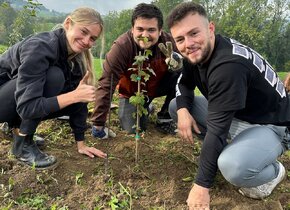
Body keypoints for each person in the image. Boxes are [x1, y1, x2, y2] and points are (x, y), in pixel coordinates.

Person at [167, 2, 289, 209]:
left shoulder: (228, 66)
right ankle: (234, 149)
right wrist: (183, 110)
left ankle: (275, 171)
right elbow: (184, 82)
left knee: (232, 167)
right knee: (175, 106)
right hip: (240, 114)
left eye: (194, 33)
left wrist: (201, 186)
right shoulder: (194, 53)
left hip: (272, 124)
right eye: (180, 39)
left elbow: (216, 130)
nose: (188, 44)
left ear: (211, 28)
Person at [0, 7, 107, 169]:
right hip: (5, 98)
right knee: (54, 77)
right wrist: (74, 96)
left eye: (92, 38)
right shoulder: (41, 47)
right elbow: (27, 107)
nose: (87, 41)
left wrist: (81, 144)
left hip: (17, 100)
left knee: (68, 88)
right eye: (83, 32)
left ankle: (18, 131)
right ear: (68, 23)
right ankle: (22, 145)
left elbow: (80, 104)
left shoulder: (76, 58)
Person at [91, 3, 182, 138]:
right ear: (132, 29)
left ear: (160, 30)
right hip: (132, 94)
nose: (144, 35)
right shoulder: (122, 47)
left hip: (157, 87)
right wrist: (98, 123)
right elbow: (106, 84)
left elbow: (190, 71)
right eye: (140, 29)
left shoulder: (168, 43)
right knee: (134, 129)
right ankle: (145, 107)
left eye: (151, 30)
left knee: (182, 72)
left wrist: (179, 63)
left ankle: (165, 117)